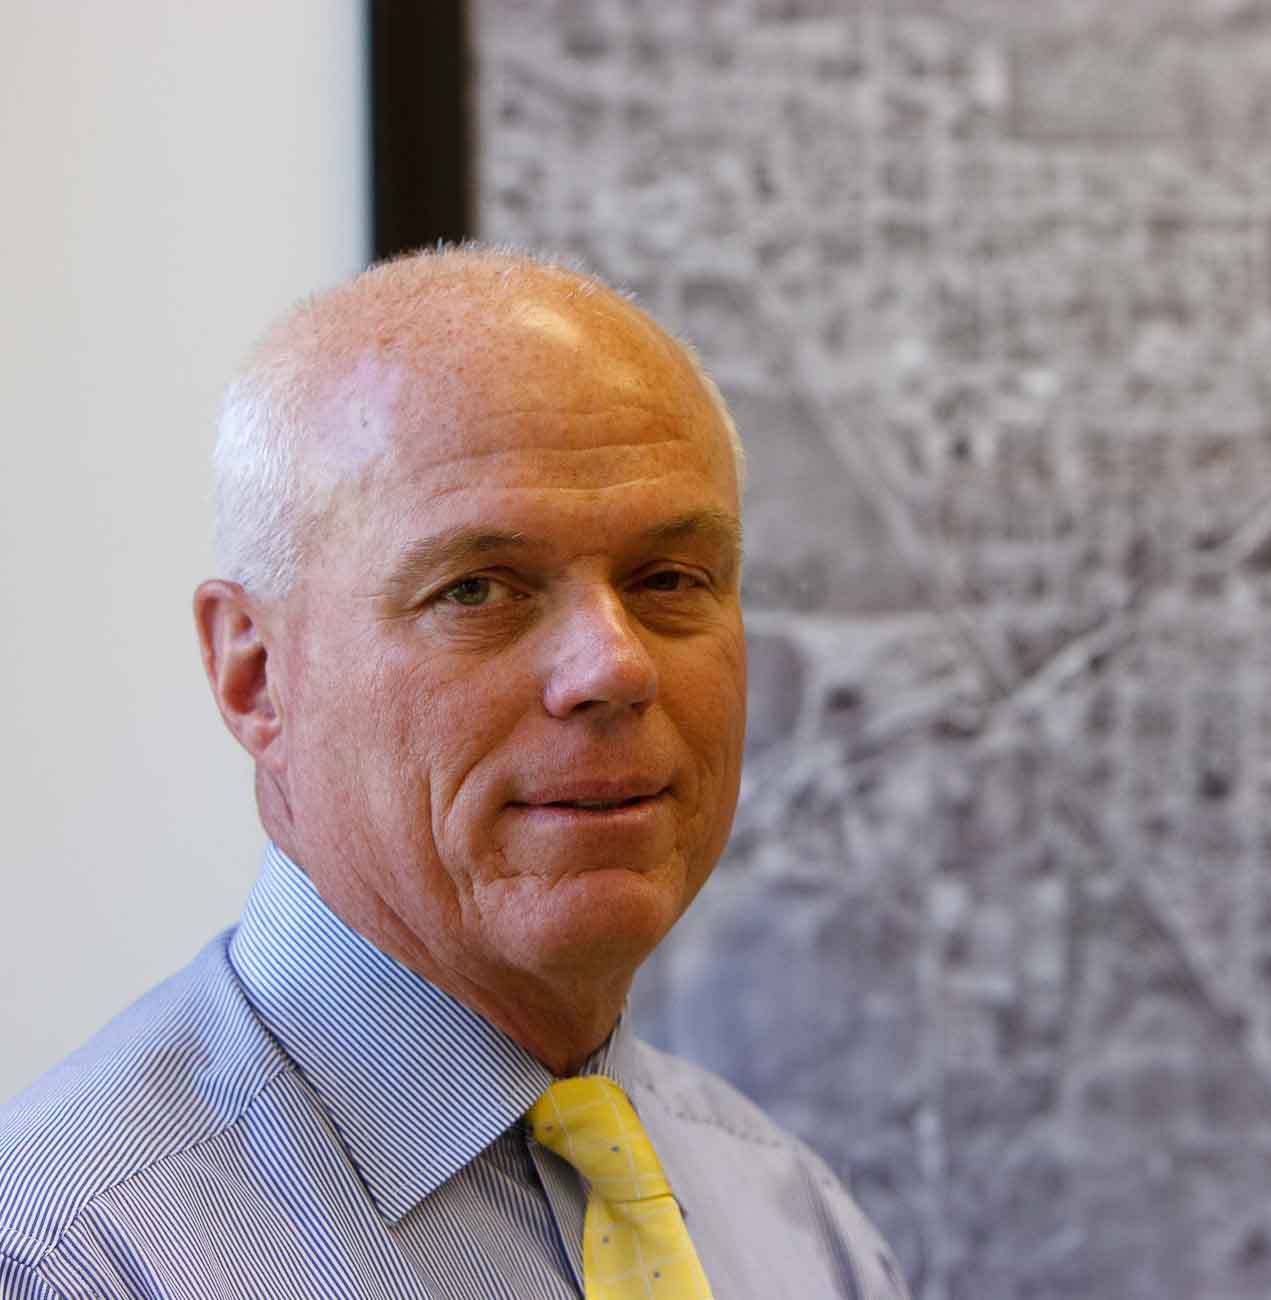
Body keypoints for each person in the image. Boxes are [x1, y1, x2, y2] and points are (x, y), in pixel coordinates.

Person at [0, 248, 910, 1300]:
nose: (615, 666)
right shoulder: (69, 1260)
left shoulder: (795, 1225)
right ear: (254, 675)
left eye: (670, 578)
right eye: (478, 587)